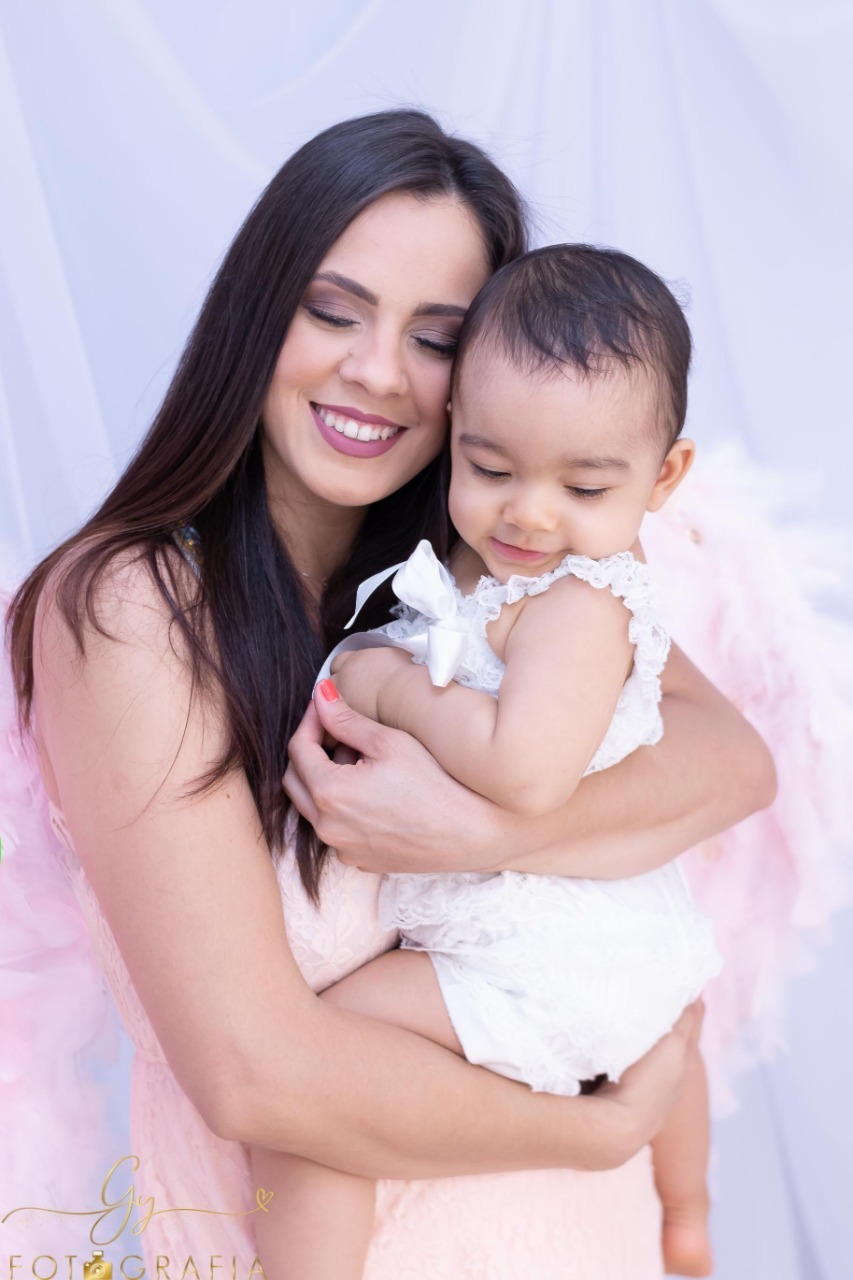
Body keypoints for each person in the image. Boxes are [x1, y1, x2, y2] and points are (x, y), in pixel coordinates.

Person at [5, 111, 772, 1275]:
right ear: (258, 310)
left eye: (436, 336)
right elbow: (251, 1066)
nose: (375, 370)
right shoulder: (133, 606)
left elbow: (736, 763)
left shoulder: (502, 563)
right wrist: (598, 1125)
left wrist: (481, 822)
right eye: (332, 309)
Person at [248, 245, 723, 1279]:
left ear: (664, 476)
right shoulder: (512, 563)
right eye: (491, 467)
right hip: (605, 935)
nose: (528, 515)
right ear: (453, 430)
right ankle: (683, 1216)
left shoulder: (582, 600)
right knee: (670, 1033)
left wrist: (389, 684)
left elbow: (523, 773)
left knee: (316, 1076)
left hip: (543, 947)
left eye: (584, 483)